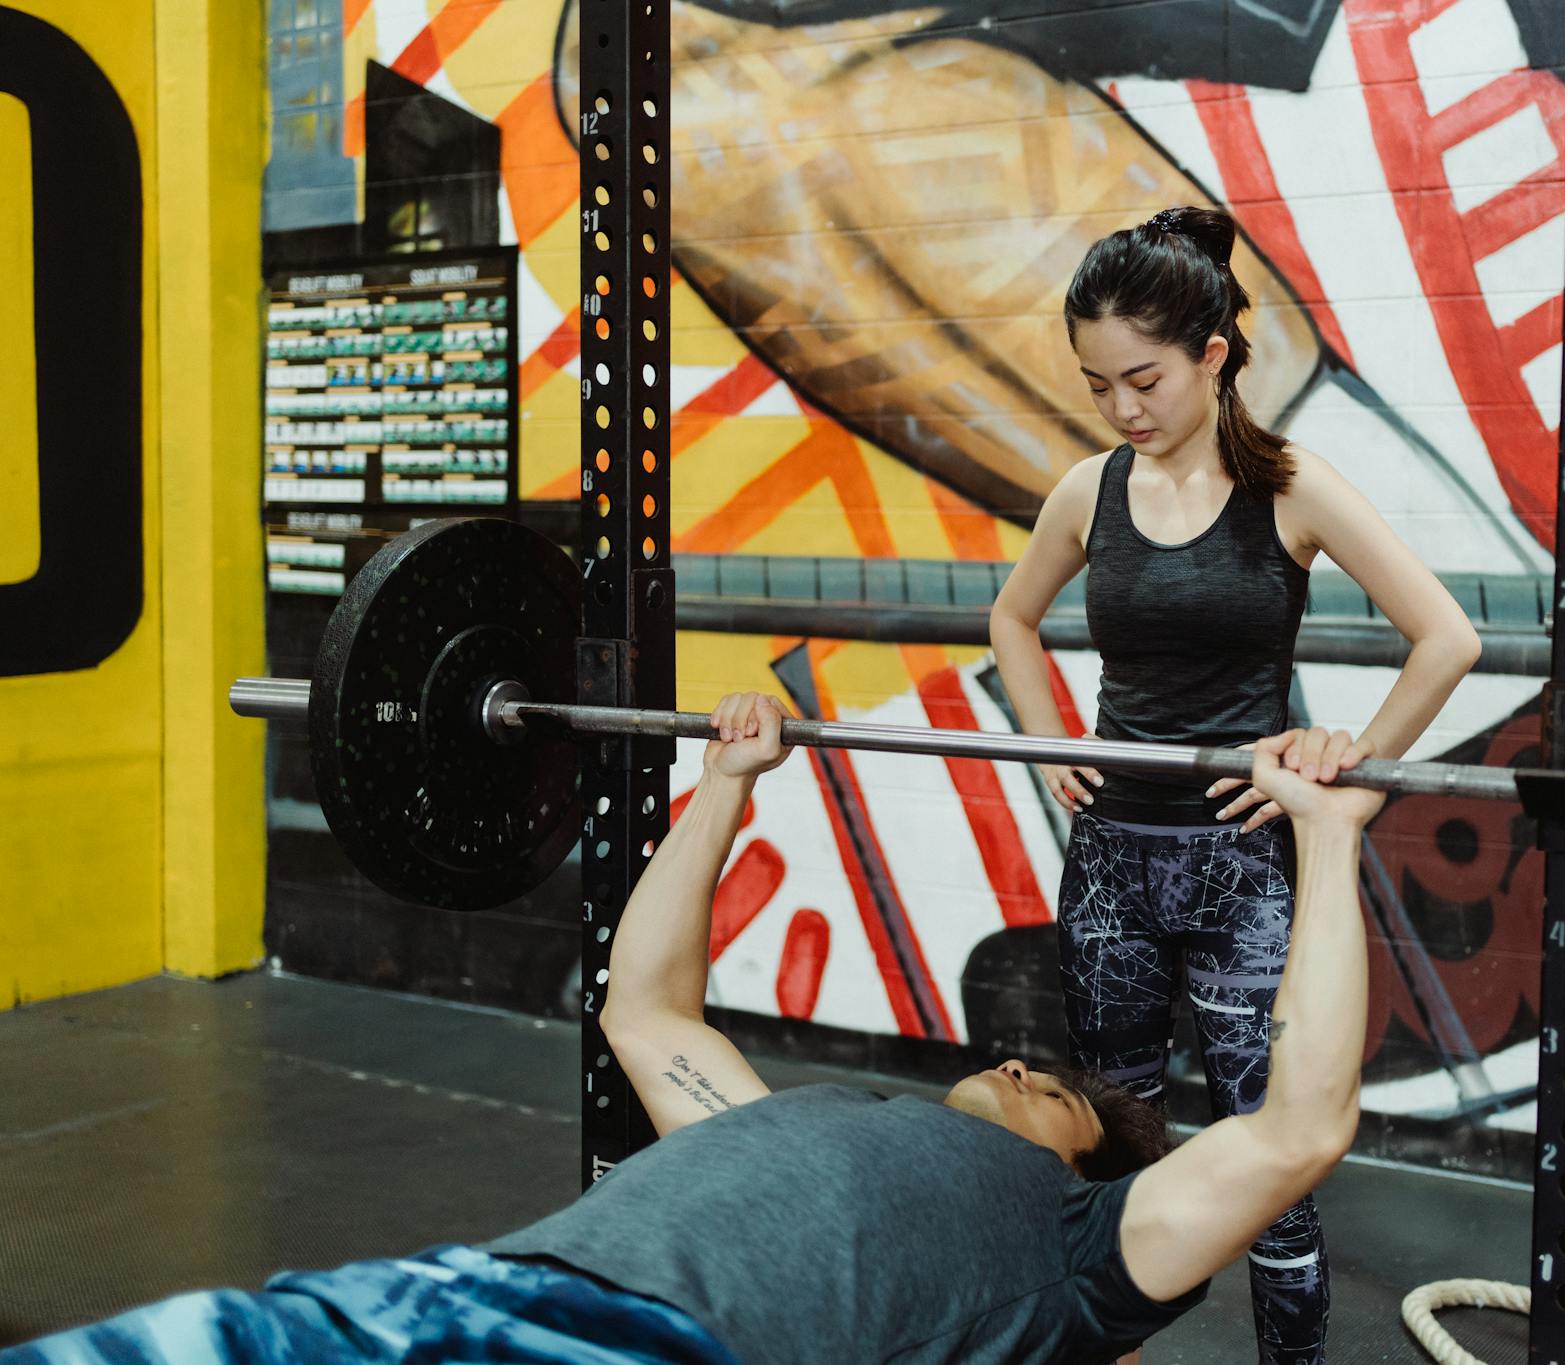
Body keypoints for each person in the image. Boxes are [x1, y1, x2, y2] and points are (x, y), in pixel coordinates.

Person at [3, 693, 1385, 1365]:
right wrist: (729, 782)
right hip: (445, 1296)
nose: (1019, 1061)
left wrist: (1325, 834)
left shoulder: (1084, 1253)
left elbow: (1300, 1122)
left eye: (1058, 1092)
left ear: (1095, 1165)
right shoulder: (786, 1123)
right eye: (1021, 1060)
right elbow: (643, 1004)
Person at [989, 206, 1483, 1365]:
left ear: (1213, 355)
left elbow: (1444, 638)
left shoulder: (1291, 486)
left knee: (1271, 1162)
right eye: (1096, 384)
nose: (1120, 409)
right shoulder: (1087, 491)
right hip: (1110, 858)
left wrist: (1350, 778)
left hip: (1240, 867)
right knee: (1107, 1147)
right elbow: (1011, 617)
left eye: (1142, 380)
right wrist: (1043, 731)